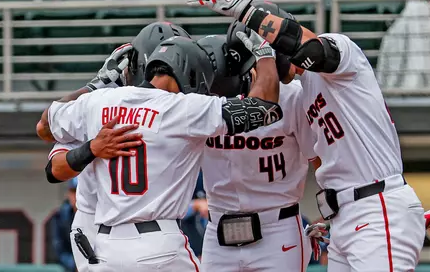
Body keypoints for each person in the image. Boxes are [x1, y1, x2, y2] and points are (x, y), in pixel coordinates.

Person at [183, 0, 425, 271]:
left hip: (377, 204)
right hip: (348, 215)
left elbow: (311, 51)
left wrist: (244, 12)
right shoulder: (302, 89)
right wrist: (334, 214)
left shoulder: (343, 54)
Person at [36, 30, 283, 272]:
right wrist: (264, 54)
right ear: (188, 69)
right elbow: (265, 109)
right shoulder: (183, 108)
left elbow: (44, 126)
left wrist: (96, 84)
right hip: (159, 245)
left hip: (107, 247)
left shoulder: (98, 101)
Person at [43, 22, 190, 272]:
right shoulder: (97, 105)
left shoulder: (177, 107)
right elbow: (54, 169)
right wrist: (91, 148)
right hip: (100, 226)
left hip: (149, 230)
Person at [196, 9, 319, 272]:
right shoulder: (204, 99)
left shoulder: (293, 96)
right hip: (218, 227)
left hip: (278, 226)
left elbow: (319, 160)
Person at [50, 178, 78, 272]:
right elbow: (59, 250)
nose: (77, 196)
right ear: (68, 194)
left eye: (80, 191)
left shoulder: (99, 214)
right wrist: (75, 265)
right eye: (74, 191)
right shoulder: (61, 216)